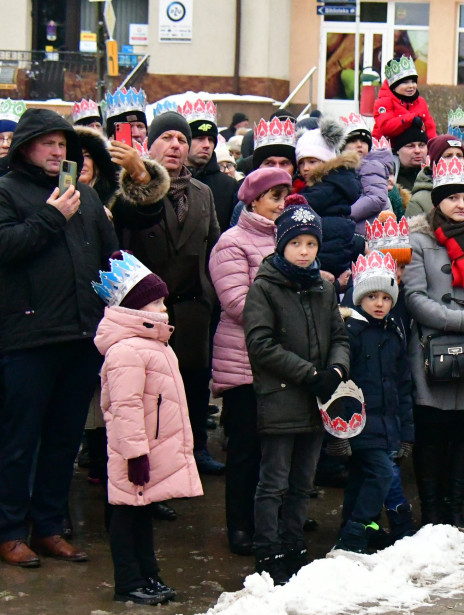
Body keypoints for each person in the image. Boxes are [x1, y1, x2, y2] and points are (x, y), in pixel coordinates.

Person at [0, 107, 119, 568]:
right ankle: (10, 531)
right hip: (27, 338)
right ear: (27, 146)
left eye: (63, 143)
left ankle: (48, 526)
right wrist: (50, 218)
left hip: (81, 336)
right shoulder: (8, 192)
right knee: (18, 441)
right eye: (47, 142)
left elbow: (112, 260)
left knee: (63, 440)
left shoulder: (84, 196)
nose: (57, 151)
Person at [111, 111, 225, 477]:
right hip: (147, 310)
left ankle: (195, 451)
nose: (176, 145)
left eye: (181, 139)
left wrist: (210, 294)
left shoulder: (203, 193)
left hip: (193, 307)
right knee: (149, 394)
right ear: (150, 144)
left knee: (192, 386)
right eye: (167, 138)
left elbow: (214, 244)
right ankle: (152, 465)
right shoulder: (130, 187)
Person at [243, 195, 350, 585]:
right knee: (274, 481)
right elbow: (261, 344)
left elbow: (340, 334)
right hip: (281, 396)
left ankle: (294, 544)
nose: (304, 252)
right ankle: (267, 549)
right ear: (281, 245)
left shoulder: (322, 289)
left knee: (305, 480)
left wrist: (337, 369)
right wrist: (309, 373)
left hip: (317, 400)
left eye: (311, 244)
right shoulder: (266, 288)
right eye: (296, 244)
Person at [92, 253, 203, 603]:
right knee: (126, 516)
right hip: (132, 453)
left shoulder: (153, 344)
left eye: (163, 301)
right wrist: (135, 454)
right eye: (155, 302)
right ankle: (128, 581)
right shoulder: (127, 351)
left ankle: (148, 574)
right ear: (134, 308)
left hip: (146, 450)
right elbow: (125, 409)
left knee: (142, 515)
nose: (164, 308)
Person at [209, 167, 293, 556]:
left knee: (276, 448)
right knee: (245, 450)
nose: (281, 204)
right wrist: (289, 312)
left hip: (282, 361)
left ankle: (271, 520)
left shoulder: (289, 239)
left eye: (285, 197)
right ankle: (239, 526)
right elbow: (237, 303)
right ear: (254, 199)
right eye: (274, 197)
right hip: (244, 362)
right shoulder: (232, 242)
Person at [405, 157, 464, 527]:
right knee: (433, 435)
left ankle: (456, 508)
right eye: (453, 197)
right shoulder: (418, 239)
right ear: (437, 200)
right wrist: (459, 320)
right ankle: (432, 512)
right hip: (431, 349)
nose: (461, 205)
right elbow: (414, 297)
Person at [334, 251, 414, 553]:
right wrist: (340, 431)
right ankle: (355, 531)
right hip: (360, 424)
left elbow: (403, 385)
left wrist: (406, 434)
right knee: (379, 473)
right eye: (372, 297)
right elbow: (338, 388)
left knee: (361, 477)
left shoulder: (394, 332)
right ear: (359, 298)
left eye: (385, 297)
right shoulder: (350, 333)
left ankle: (350, 529)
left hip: (388, 424)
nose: (379, 304)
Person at [298, 119, 367, 280]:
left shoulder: (329, 185)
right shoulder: (335, 180)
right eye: (301, 163)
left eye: (312, 161)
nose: (306, 168)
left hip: (328, 250)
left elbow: (307, 202)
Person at [182, 98, 237, 231]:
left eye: (211, 139)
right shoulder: (170, 181)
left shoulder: (229, 186)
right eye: (199, 138)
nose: (206, 145)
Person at [372, 56, 436, 140]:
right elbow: (386, 128)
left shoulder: (420, 101)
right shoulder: (383, 102)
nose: (411, 86)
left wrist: (434, 146)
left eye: (413, 82)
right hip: (387, 149)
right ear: (394, 86)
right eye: (405, 82)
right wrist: (410, 119)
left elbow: (430, 128)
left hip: (416, 148)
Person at [406, 134, 464, 217]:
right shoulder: (419, 201)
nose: (455, 160)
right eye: (448, 156)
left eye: (459, 156)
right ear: (435, 161)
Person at [393, 121, 429, 193]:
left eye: (421, 145)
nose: (417, 151)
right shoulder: (390, 178)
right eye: (410, 146)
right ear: (398, 150)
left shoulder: (436, 176)